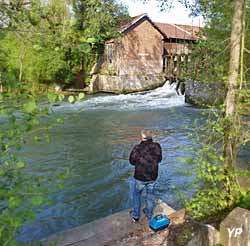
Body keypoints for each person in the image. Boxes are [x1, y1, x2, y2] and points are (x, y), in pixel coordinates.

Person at [129, 129, 162, 222]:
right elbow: (159, 159)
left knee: (136, 195)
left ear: (142, 137)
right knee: (150, 196)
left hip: (140, 177)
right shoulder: (157, 146)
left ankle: (136, 216)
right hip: (152, 176)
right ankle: (148, 214)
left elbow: (131, 161)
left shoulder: (137, 148)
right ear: (151, 137)